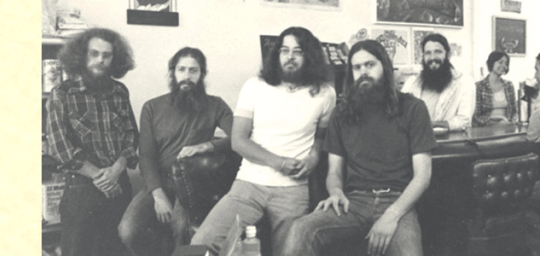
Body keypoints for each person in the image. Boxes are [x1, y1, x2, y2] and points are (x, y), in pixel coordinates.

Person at [281, 40, 436, 256]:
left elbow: (423, 176)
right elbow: (334, 171)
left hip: (398, 201)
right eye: (357, 67)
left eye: (370, 65)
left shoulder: (413, 108)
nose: (363, 72)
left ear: (385, 67)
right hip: (352, 202)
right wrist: (335, 192)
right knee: (301, 229)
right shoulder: (341, 113)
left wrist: (391, 216)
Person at [189, 27, 336, 256]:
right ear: (277, 54)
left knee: (291, 252)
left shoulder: (326, 93)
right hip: (249, 184)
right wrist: (278, 162)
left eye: (298, 51)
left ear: (310, 56)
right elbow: (238, 140)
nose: (289, 56)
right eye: (284, 50)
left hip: (293, 190)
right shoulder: (255, 86)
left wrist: (315, 156)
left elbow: (321, 137)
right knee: (201, 243)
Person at [118, 47, 233, 255]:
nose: (186, 76)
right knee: (127, 231)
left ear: (202, 74)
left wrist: (208, 145)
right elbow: (146, 156)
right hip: (158, 181)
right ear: (173, 72)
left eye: (193, 70)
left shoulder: (215, 105)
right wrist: (158, 195)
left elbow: (239, 138)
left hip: (192, 183)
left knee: (180, 229)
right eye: (181, 69)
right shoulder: (152, 107)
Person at [46, 28, 139, 256]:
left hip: (118, 186)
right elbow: (59, 146)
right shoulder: (62, 93)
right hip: (81, 190)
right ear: (81, 56)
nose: (100, 60)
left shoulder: (120, 91)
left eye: (106, 55)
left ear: (114, 59)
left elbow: (131, 136)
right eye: (94, 53)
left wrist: (116, 170)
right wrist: (101, 177)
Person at [400, 33, 474, 131]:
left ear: (448, 55)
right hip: (414, 140)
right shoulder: (411, 82)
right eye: (428, 53)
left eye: (438, 52)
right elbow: (400, 112)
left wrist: (432, 125)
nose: (432, 57)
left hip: (450, 142)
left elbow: (464, 121)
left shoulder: (464, 82)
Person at [473, 51, 516, 126]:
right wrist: (493, 123)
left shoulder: (509, 85)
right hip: (486, 130)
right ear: (491, 63)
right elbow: (476, 116)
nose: (504, 66)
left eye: (506, 63)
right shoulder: (479, 86)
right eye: (500, 62)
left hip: (506, 128)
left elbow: (514, 112)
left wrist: (511, 122)